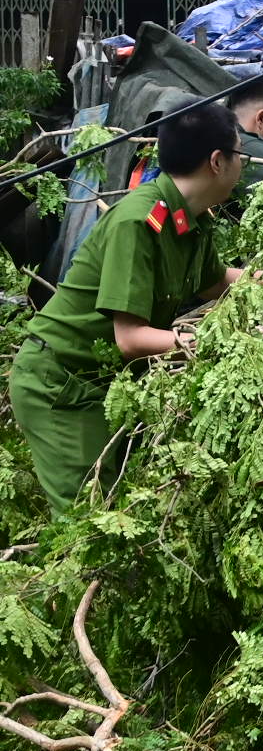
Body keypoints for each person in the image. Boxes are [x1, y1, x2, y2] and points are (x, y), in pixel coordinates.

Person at [8, 103, 249, 511]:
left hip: (104, 383)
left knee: (125, 504)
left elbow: (213, 280)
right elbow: (131, 338)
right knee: (90, 517)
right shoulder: (139, 222)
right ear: (216, 161)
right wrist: (213, 339)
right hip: (61, 384)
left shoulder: (191, 219)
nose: (243, 163)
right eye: (239, 154)